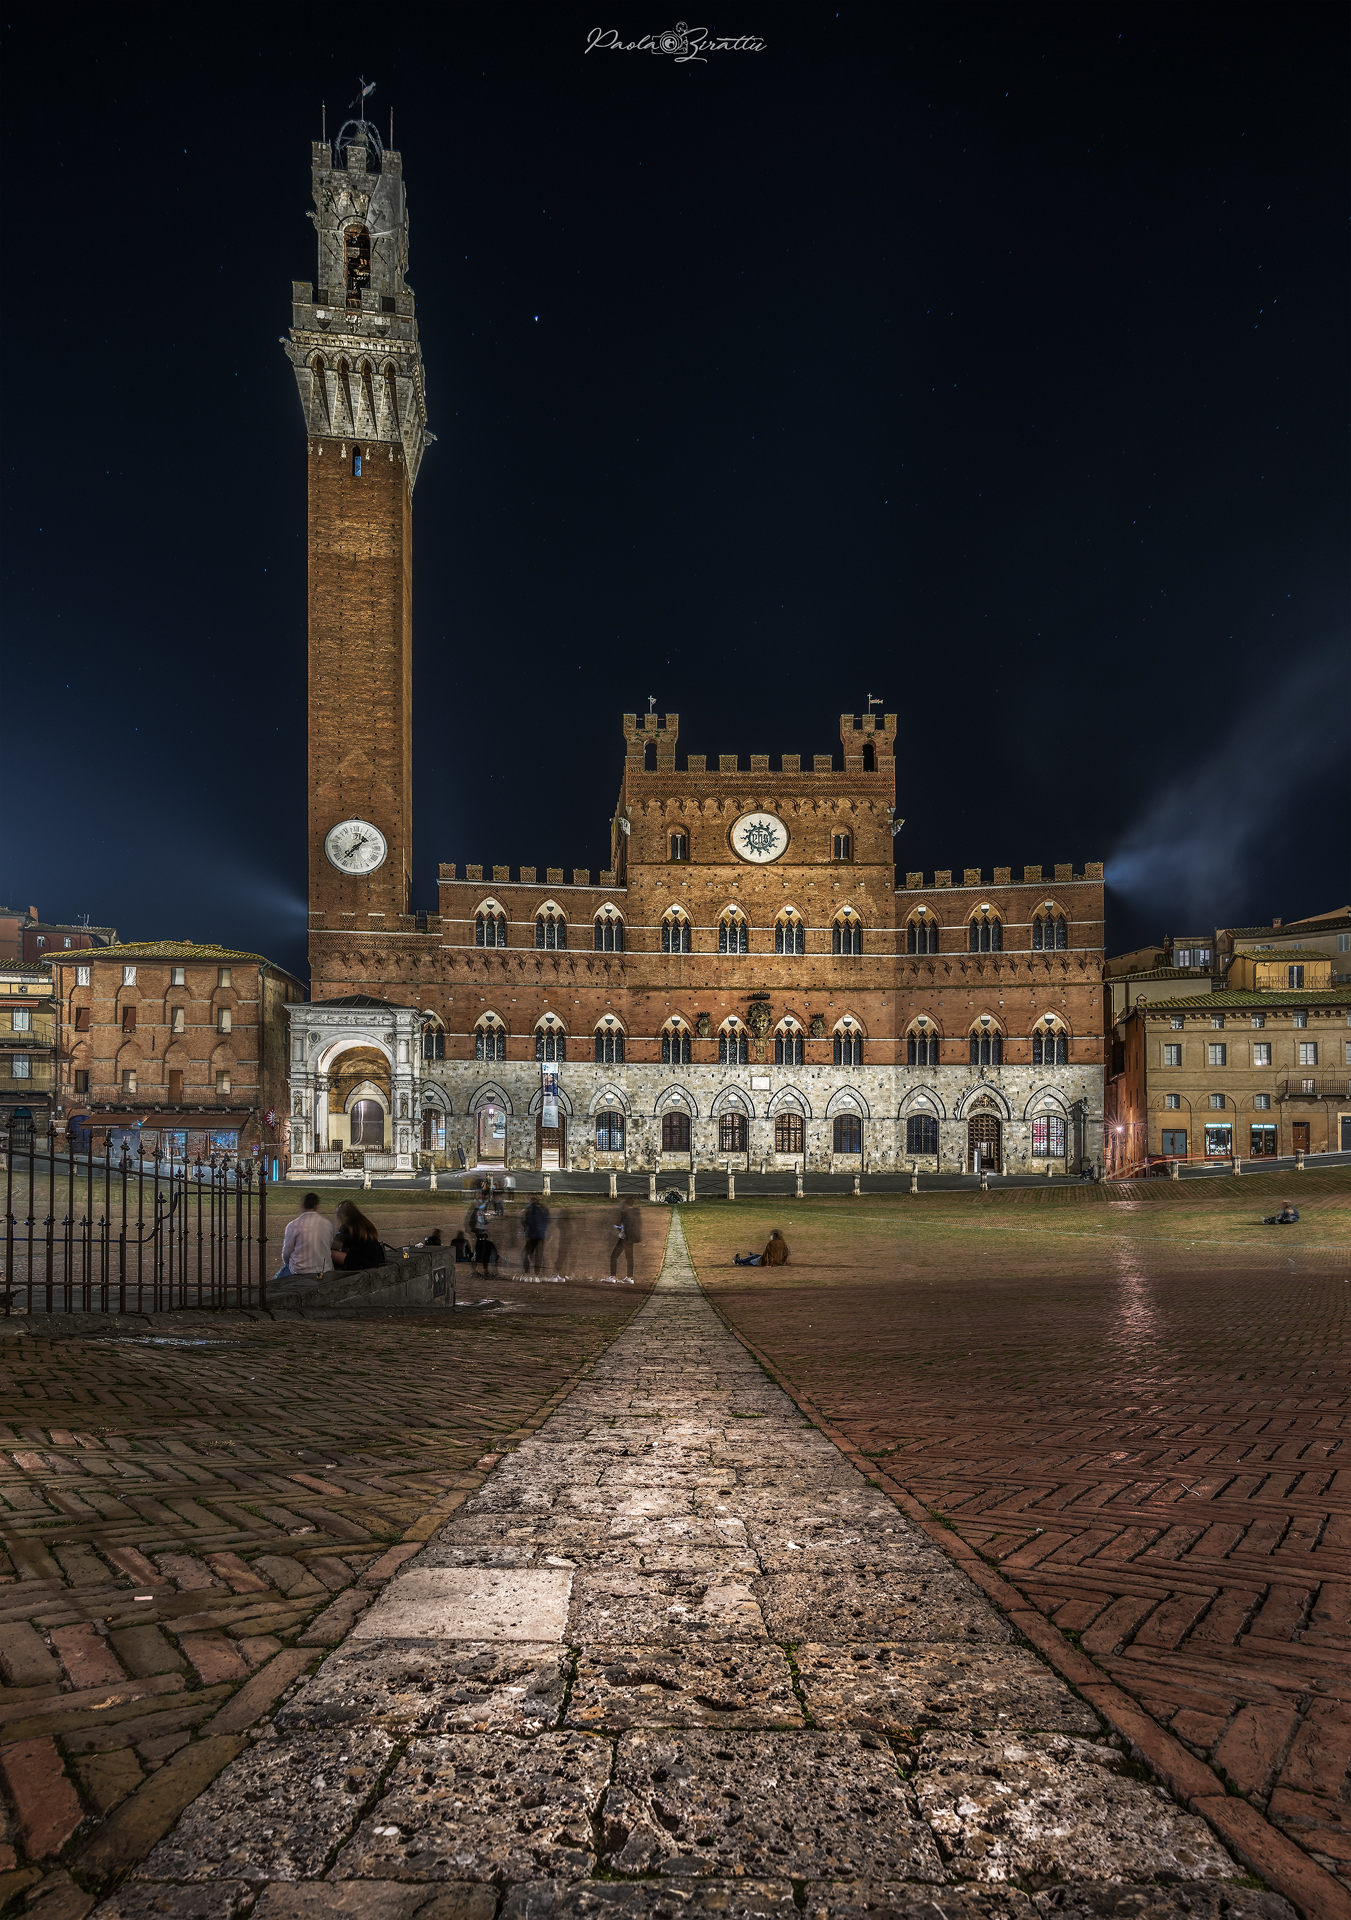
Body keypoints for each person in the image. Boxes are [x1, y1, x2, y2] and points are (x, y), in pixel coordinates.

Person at [275, 1193, 333, 1278]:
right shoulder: (328, 1224)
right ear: (317, 1207)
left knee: (275, 1282)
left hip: (300, 1271)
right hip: (324, 1270)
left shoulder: (293, 1225)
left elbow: (286, 1254)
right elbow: (329, 1245)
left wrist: (289, 1263)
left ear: (303, 1206)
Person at [331, 1200, 386, 1271]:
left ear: (343, 1214)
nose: (337, 1216)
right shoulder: (363, 1223)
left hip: (359, 1261)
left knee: (328, 1253)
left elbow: (337, 1245)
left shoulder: (348, 1226)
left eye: (338, 1213)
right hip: (374, 1259)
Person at [610, 1199, 641, 1279]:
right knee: (629, 1258)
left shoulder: (627, 1214)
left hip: (625, 1239)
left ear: (626, 1204)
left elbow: (626, 1227)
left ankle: (613, 1277)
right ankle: (629, 1277)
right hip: (631, 1239)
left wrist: (624, 1237)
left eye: (623, 1204)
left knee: (614, 1256)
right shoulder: (636, 1213)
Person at [522, 1198, 550, 1275]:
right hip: (541, 1235)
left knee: (524, 1254)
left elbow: (528, 1221)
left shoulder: (531, 1209)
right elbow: (547, 1220)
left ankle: (527, 1272)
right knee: (539, 1254)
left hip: (533, 1235)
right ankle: (537, 1274)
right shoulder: (543, 1209)